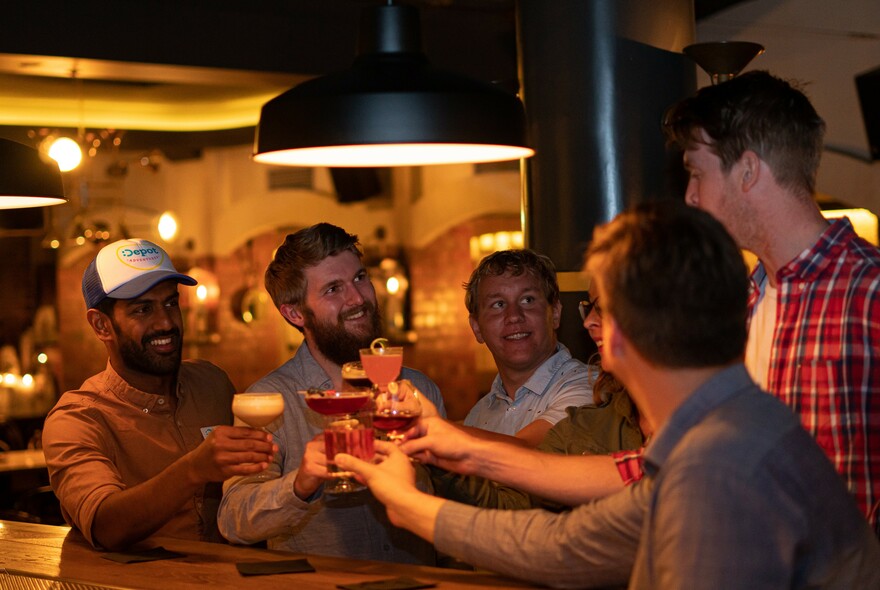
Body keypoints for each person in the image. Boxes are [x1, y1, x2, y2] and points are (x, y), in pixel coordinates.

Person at [337, 201, 880, 589]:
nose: (590, 324)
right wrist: (423, 491)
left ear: (620, 330)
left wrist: (411, 502)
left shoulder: (717, 467)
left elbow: (571, 550)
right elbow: (568, 545)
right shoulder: (727, 427)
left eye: (598, 308)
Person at [664, 70, 880, 533]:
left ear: (747, 171)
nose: (690, 195)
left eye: (697, 173)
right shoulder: (741, 306)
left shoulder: (871, 291)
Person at [217, 223, 446, 564]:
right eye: (333, 289)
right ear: (294, 313)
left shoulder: (417, 389)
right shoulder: (270, 399)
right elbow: (234, 519)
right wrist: (300, 482)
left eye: (360, 278)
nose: (357, 298)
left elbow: (453, 502)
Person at [42, 239, 275, 551]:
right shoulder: (77, 418)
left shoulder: (212, 383)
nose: (166, 322)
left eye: (171, 303)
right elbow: (104, 525)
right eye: (143, 309)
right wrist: (194, 469)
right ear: (101, 325)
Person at [461, 250, 594, 446]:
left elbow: (525, 454)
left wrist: (434, 430)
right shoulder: (478, 415)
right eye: (498, 304)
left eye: (527, 300)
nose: (514, 315)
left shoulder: (588, 386)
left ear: (555, 314)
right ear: (477, 328)